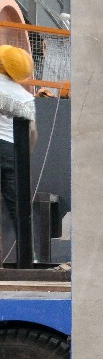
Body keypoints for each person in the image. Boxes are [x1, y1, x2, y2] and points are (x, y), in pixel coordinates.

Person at [0, 44, 36, 232]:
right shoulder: (26, 97)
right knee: (18, 208)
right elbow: (31, 133)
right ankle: (28, 248)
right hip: (12, 150)